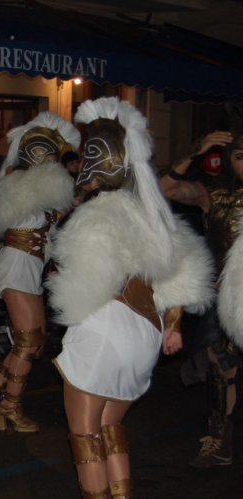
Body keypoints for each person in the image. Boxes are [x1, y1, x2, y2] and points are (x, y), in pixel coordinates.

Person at [49, 97, 214, 498]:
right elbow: (183, 276)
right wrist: (172, 325)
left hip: (104, 329)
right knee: (112, 427)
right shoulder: (153, 213)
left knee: (85, 433)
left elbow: (80, 282)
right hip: (144, 336)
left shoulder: (96, 215)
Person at [0, 112, 79, 432]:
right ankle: (10, 405)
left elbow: (54, 219)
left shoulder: (40, 188)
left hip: (31, 267)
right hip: (15, 264)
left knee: (34, 343)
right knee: (28, 342)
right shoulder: (18, 181)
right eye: (51, 157)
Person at [158, 106, 243, 467]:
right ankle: (219, 440)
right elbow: (166, 187)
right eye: (240, 156)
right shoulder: (215, 193)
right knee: (220, 369)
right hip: (228, 297)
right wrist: (195, 149)